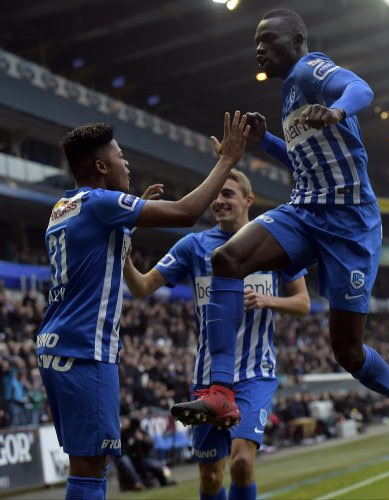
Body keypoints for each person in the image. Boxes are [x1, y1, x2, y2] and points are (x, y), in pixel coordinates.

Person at [170, 8, 389, 458]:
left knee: (346, 350)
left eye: (268, 39)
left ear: (298, 38)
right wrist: (266, 142)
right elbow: (303, 161)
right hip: (307, 210)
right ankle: (222, 391)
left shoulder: (311, 69)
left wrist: (338, 109)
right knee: (226, 260)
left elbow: (360, 87)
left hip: (349, 225)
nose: (259, 49)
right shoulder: (288, 95)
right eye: (256, 43)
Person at [36, 114, 250, 500]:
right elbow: (186, 213)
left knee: (83, 463)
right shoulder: (102, 202)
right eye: (120, 157)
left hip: (55, 346)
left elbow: (93, 251)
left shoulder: (62, 208)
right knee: (90, 467)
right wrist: (227, 161)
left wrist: (129, 224)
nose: (127, 164)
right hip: (86, 350)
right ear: (102, 167)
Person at [124, 170, 309, 500]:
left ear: (248, 200)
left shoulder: (273, 243)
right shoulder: (193, 247)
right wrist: (122, 242)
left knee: (241, 462)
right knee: (211, 476)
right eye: (216, 195)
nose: (219, 201)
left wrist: (268, 299)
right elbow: (140, 287)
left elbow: (304, 303)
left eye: (228, 194)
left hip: (255, 373)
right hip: (207, 378)